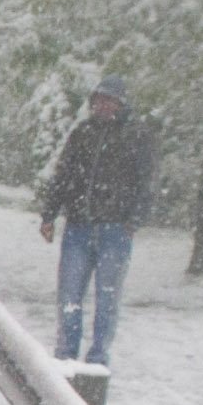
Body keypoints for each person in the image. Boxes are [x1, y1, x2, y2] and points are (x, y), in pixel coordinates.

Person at [37, 74, 156, 365]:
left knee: (107, 299)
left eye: (110, 100)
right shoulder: (83, 134)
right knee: (69, 296)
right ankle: (66, 355)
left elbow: (148, 182)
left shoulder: (137, 136)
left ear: (121, 104)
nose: (103, 106)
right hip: (78, 226)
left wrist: (134, 219)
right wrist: (50, 213)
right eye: (99, 100)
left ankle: (98, 358)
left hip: (115, 230)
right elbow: (63, 176)